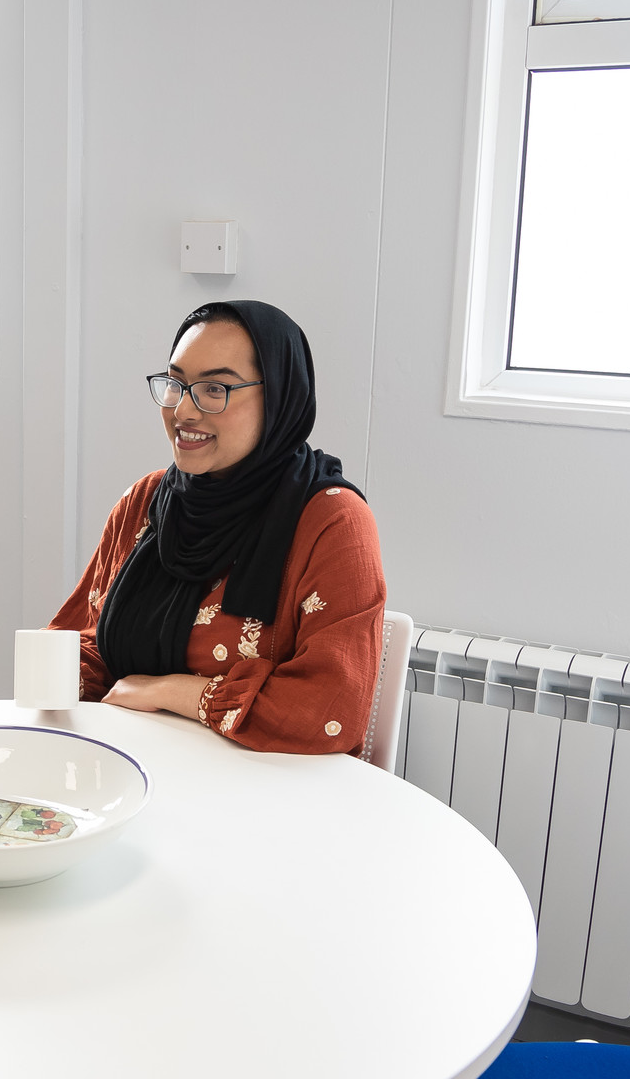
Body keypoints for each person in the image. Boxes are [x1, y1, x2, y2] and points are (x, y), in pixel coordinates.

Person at [49, 300, 385, 754]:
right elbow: (87, 643)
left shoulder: (331, 521)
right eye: (177, 384)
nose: (183, 411)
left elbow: (330, 709)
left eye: (215, 389)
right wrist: (56, 680)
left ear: (279, 396)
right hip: (138, 771)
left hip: (267, 794)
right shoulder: (147, 502)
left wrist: (172, 692)